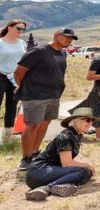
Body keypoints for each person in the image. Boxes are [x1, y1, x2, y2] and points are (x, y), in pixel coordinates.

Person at [14, 28, 76, 171]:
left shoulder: (62, 53)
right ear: (56, 36)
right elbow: (19, 72)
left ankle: (35, 153)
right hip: (35, 96)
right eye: (66, 37)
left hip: (54, 95)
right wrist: (25, 87)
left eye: (71, 38)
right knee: (32, 126)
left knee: (44, 125)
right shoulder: (38, 51)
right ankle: (26, 158)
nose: (69, 40)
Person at [24, 107, 97, 201]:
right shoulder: (66, 136)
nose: (90, 123)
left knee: (86, 173)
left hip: (48, 171)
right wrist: (87, 165)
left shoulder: (75, 134)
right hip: (39, 171)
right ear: (76, 120)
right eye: (87, 120)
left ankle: (58, 185)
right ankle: (48, 188)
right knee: (83, 171)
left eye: (92, 121)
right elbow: (67, 164)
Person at [68, 40, 100, 140]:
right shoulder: (97, 60)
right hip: (99, 89)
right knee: (97, 111)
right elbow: (89, 77)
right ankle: (97, 134)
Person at [0, 19, 28, 143]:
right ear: (9, 28)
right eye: (18, 28)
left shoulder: (22, 43)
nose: (20, 31)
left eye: (23, 29)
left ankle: (7, 134)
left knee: (12, 105)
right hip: (1, 75)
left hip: (15, 77)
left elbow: (25, 60)